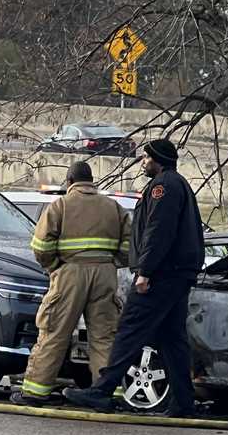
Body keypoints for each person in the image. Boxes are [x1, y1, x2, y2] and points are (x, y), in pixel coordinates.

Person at [64, 139, 204, 418]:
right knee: (172, 337)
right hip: (177, 274)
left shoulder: (163, 187)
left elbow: (158, 231)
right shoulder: (178, 184)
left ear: (158, 160)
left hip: (162, 275)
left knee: (129, 330)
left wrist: (145, 271)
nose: (143, 161)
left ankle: (102, 390)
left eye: (146, 157)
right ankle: (183, 402)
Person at [12, 161, 131, 407]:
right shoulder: (113, 207)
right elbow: (130, 246)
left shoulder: (61, 206)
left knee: (54, 332)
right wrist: (111, 263)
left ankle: (35, 393)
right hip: (105, 274)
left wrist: (55, 267)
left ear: (69, 182)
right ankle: (107, 394)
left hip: (70, 274)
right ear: (91, 182)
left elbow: (41, 246)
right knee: (105, 336)